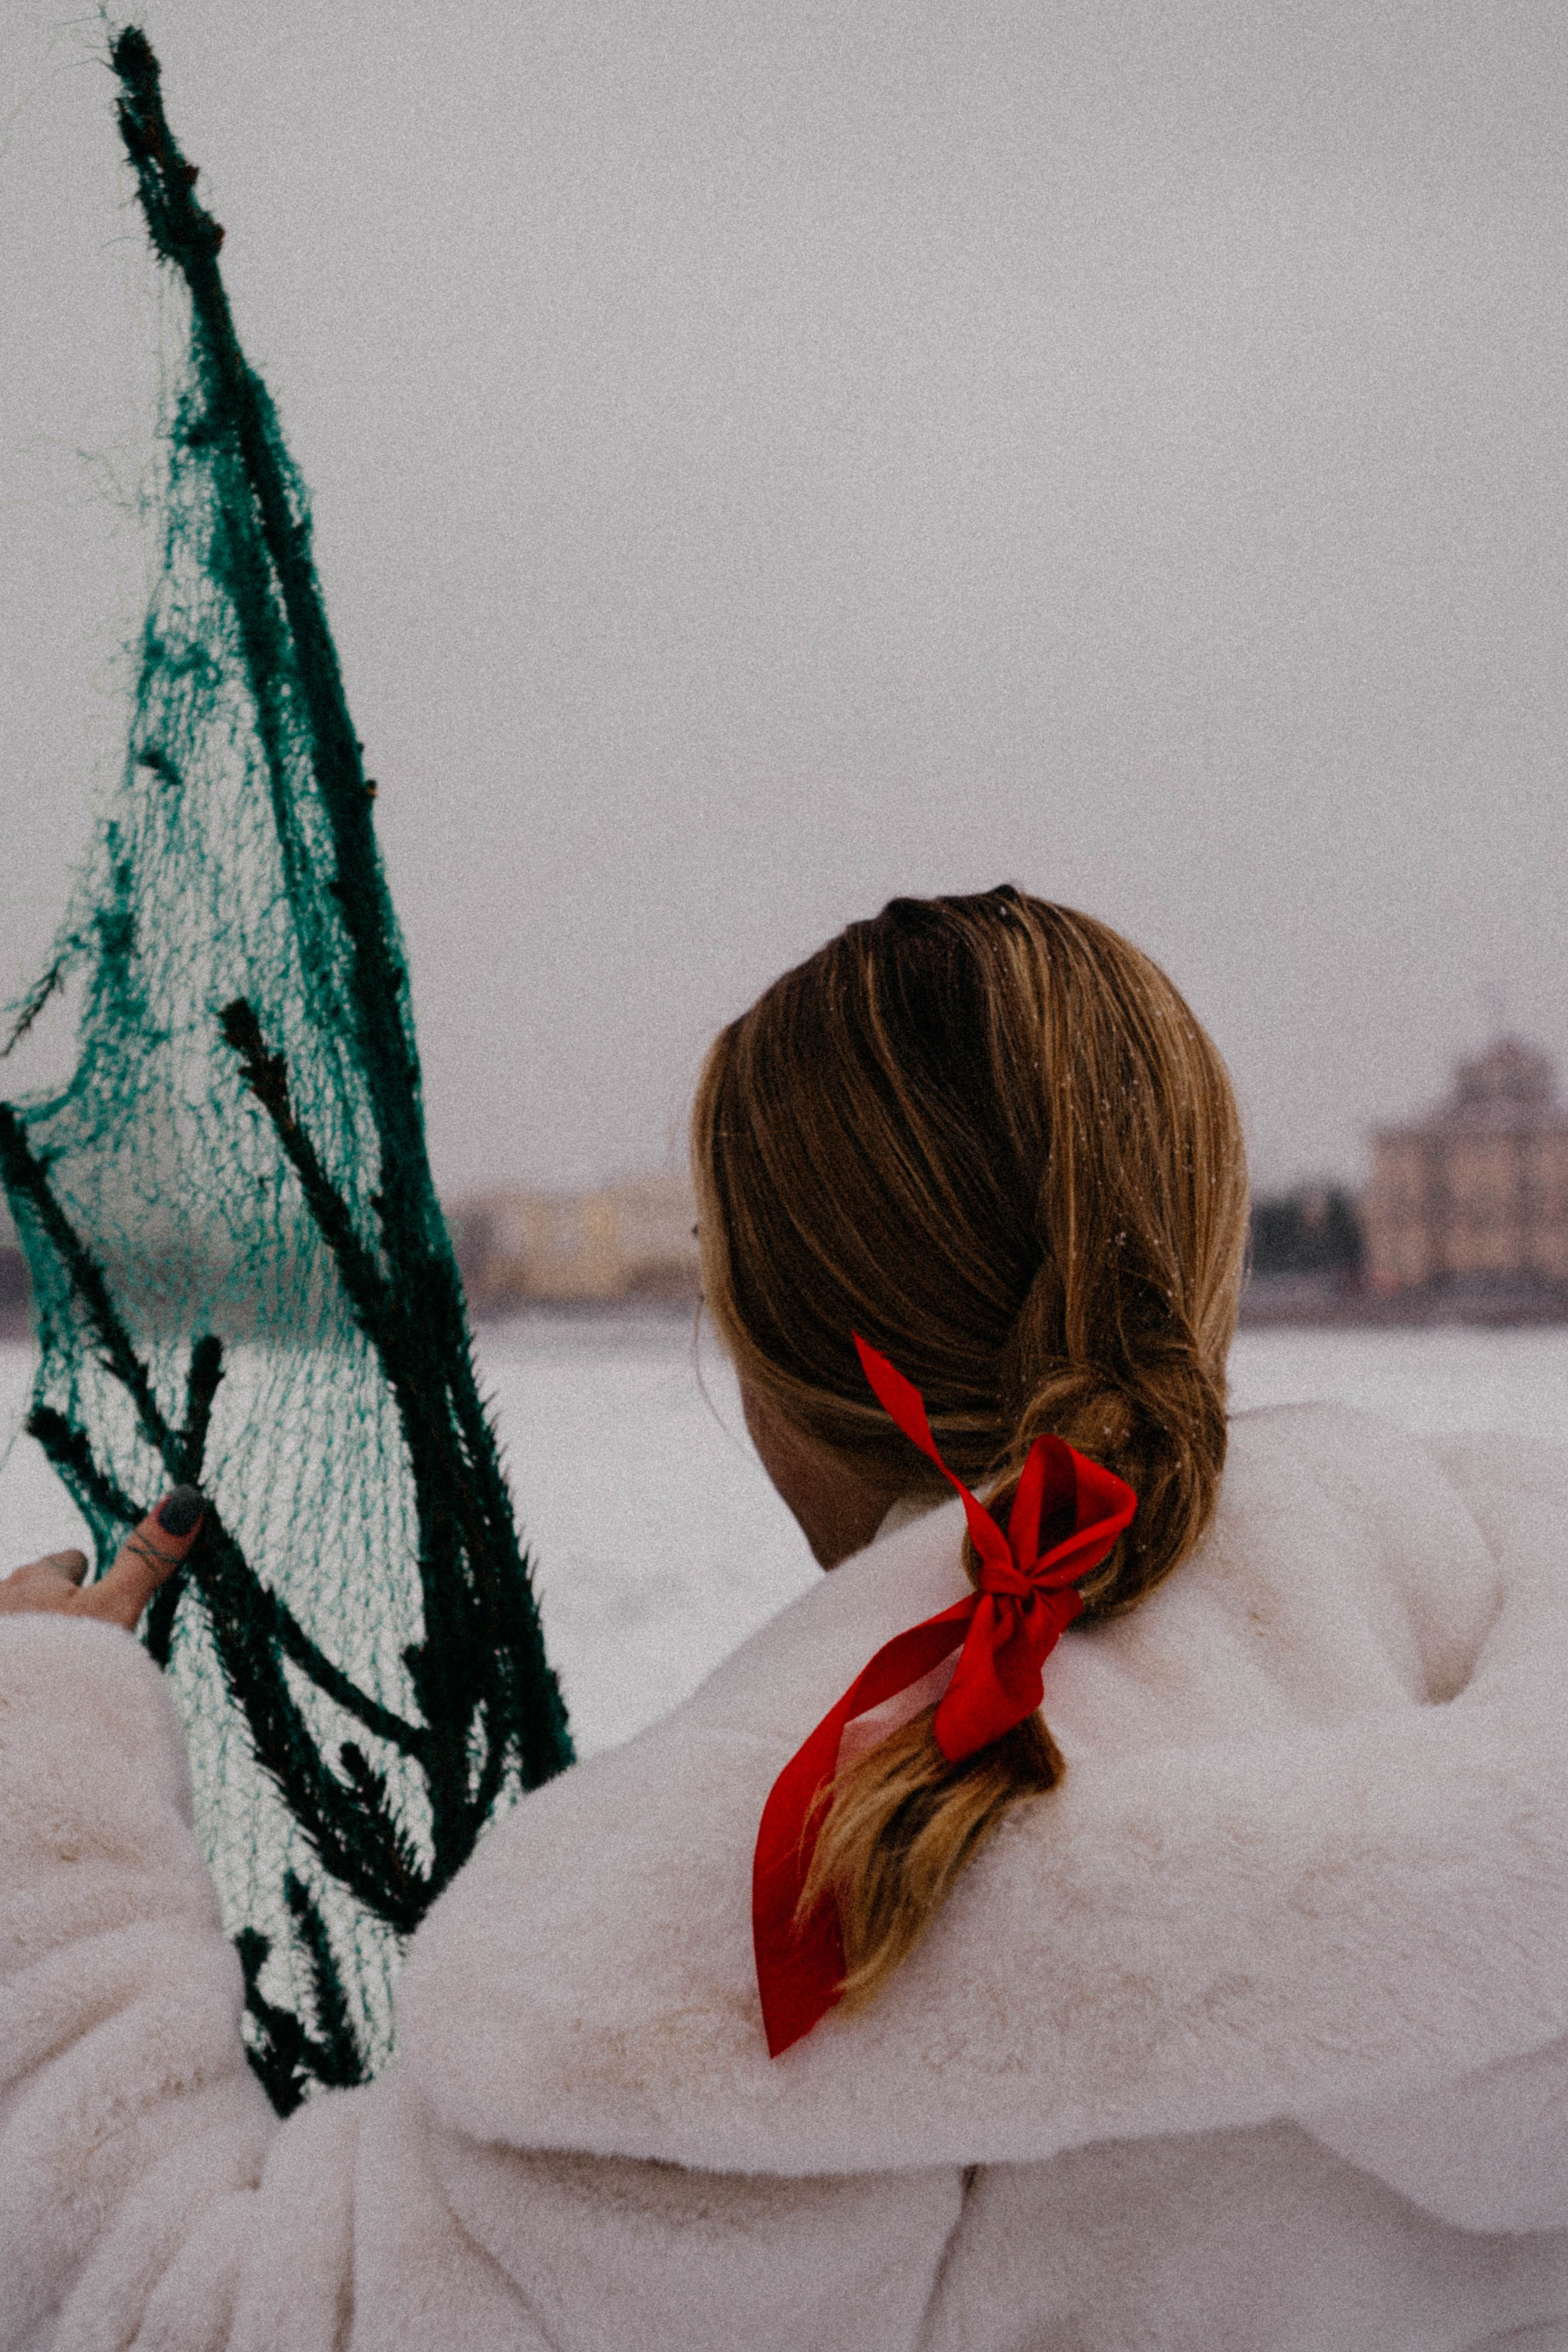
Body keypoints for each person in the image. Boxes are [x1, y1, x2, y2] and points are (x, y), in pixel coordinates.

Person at [2, 884, 1566, 2351]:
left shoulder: (762, 1951)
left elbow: (166, 2310)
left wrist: (39, 1780)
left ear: (786, 1349)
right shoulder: (1496, 1669)